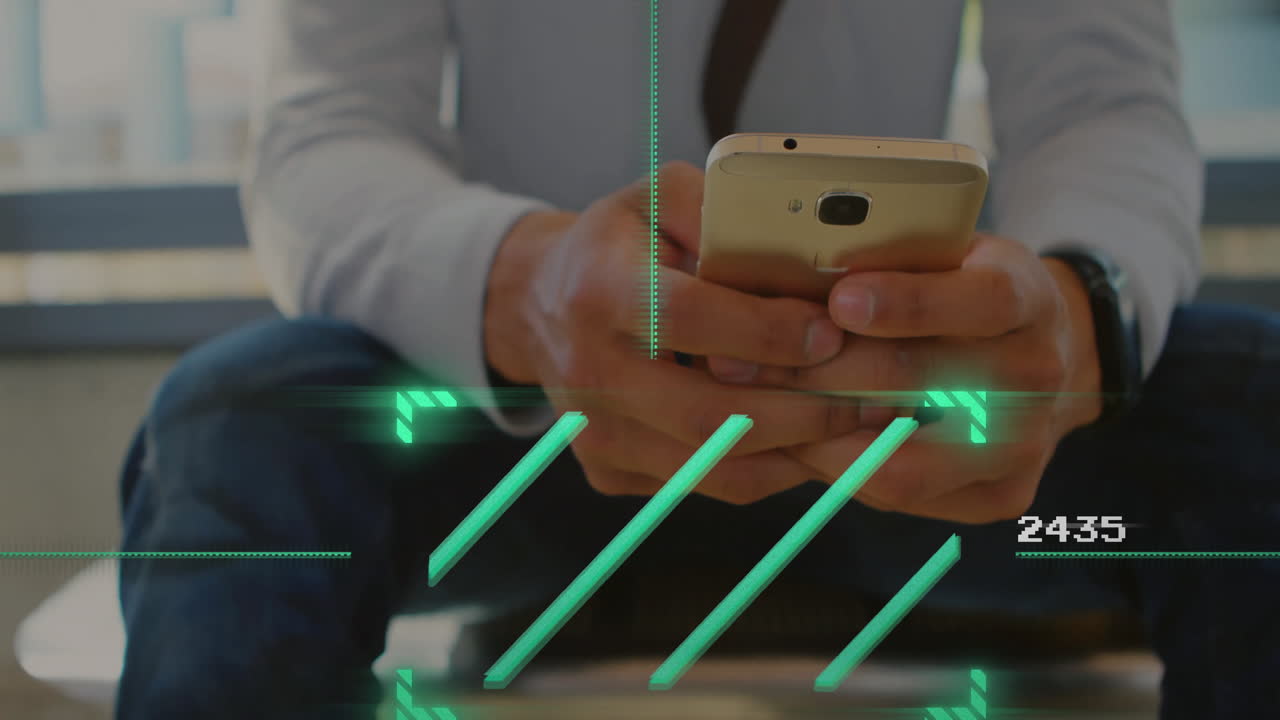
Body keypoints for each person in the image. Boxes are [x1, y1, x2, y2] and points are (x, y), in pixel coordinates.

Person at [115, 0, 1280, 718]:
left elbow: (1102, 102)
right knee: (242, 420)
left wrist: (1070, 322)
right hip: (539, 422)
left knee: (1249, 404)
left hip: (904, 431)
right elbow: (325, 133)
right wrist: (530, 294)